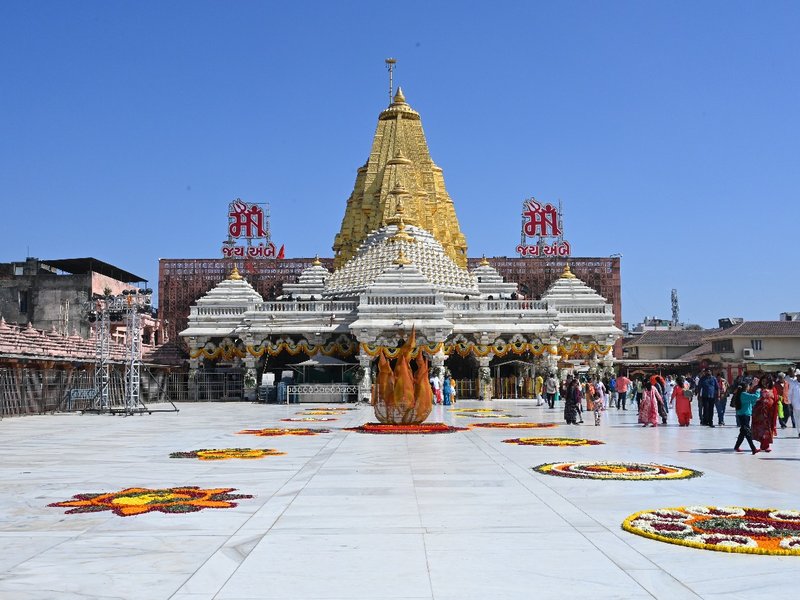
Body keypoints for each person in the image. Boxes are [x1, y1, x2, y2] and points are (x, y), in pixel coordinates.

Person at [751, 375, 778, 452]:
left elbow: (775, 400)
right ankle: (764, 445)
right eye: (763, 381)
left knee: (767, 429)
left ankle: (765, 445)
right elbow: (752, 396)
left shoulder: (773, 389)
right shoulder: (757, 389)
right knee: (761, 429)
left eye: (766, 381)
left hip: (770, 412)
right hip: (759, 413)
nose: (764, 383)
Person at [733, 382, 759, 454]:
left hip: (743, 414)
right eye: (748, 386)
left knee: (743, 431)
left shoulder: (741, 394)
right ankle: (753, 448)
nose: (749, 387)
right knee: (747, 432)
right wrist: (758, 390)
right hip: (744, 415)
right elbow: (756, 396)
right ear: (745, 387)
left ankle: (736, 446)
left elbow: (752, 402)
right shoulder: (744, 394)